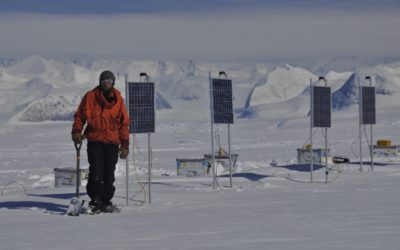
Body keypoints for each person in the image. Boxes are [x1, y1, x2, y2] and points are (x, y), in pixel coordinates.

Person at [71, 70, 129, 213]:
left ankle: (106, 201)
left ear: (113, 82)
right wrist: (77, 131)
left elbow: (124, 123)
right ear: (100, 82)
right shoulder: (90, 97)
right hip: (95, 140)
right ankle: (95, 201)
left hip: (112, 142)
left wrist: (125, 144)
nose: (106, 83)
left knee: (109, 174)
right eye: (103, 80)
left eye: (109, 80)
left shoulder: (118, 100)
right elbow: (79, 116)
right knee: (96, 172)